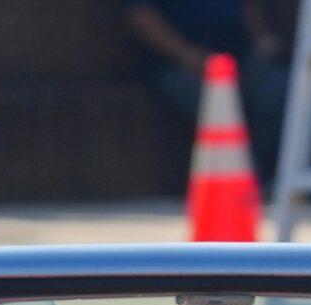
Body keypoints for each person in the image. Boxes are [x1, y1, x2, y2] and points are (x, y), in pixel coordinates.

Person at [123, 2, 291, 186]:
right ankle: (245, 181)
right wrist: (186, 55)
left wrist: (261, 38)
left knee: (279, 89)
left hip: (242, 57)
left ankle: (270, 176)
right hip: (179, 63)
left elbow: (247, 6)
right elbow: (140, 15)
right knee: (215, 106)